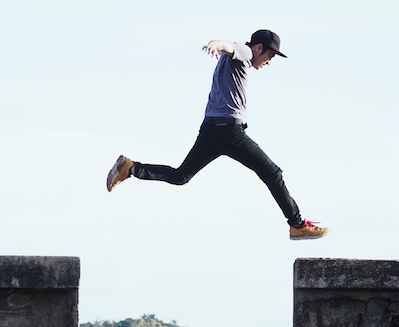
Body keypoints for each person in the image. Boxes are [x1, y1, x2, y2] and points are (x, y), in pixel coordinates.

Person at [106, 29, 328, 240]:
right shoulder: (246, 53)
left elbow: (228, 49)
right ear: (259, 48)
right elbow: (230, 46)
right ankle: (297, 224)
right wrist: (216, 44)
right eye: (270, 56)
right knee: (272, 173)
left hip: (210, 130)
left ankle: (131, 168)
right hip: (230, 132)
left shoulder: (234, 63)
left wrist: (220, 47)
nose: (269, 62)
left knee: (181, 176)